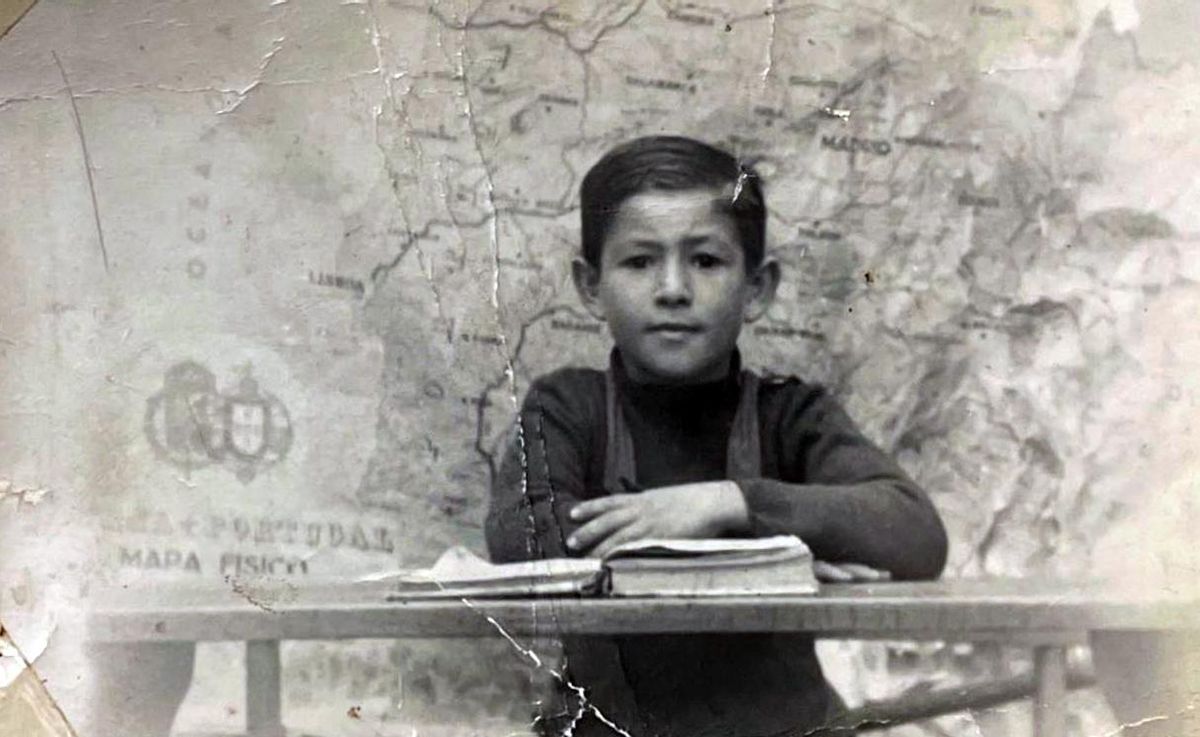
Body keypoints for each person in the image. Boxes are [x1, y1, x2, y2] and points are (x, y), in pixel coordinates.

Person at [485, 135, 949, 737]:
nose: (673, 289)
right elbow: (522, 537)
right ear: (590, 285)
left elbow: (915, 533)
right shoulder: (567, 409)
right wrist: (775, 558)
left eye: (705, 261)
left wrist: (729, 504)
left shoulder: (791, 416)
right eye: (639, 261)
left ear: (758, 287)